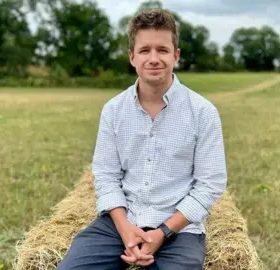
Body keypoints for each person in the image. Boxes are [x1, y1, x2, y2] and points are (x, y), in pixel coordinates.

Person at [57, 8, 227, 270]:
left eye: (162, 50)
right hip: (121, 222)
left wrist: (162, 233)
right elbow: (105, 175)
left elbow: (210, 185)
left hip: (179, 229)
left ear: (176, 56)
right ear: (132, 57)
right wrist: (125, 229)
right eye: (145, 50)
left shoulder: (203, 113)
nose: (154, 58)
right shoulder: (113, 110)